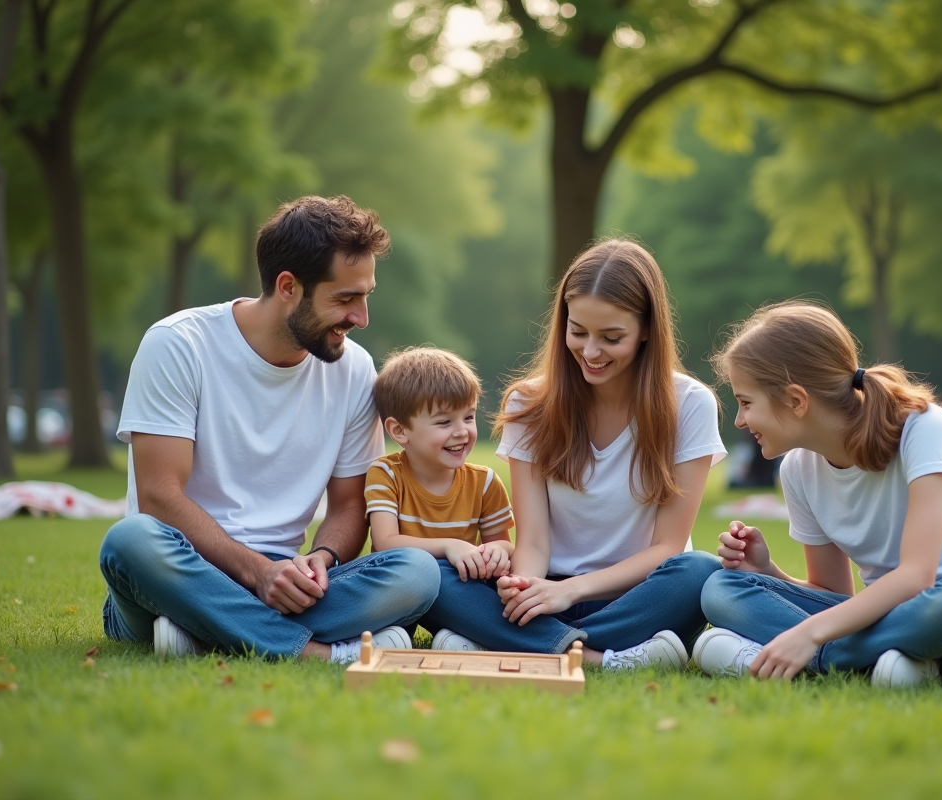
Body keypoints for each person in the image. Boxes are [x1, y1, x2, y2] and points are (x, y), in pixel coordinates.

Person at [98, 195, 440, 662]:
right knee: (130, 541)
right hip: (183, 567)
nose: (361, 318)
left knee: (418, 571)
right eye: (345, 299)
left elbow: (349, 504)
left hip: (288, 577)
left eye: (365, 296)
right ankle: (314, 652)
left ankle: (204, 631)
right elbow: (159, 497)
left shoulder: (355, 370)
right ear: (288, 287)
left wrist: (321, 561)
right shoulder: (178, 345)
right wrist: (257, 574)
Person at [418, 239, 725, 669]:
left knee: (700, 573)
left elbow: (668, 549)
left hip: (637, 598)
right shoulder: (527, 403)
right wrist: (524, 586)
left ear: (647, 330)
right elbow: (535, 540)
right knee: (429, 575)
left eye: (611, 337)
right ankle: (605, 657)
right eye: (578, 332)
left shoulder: (690, 403)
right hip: (548, 596)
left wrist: (573, 591)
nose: (591, 352)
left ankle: (510, 643)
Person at [695, 301, 942, 687]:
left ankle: (809, 661)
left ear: (796, 401)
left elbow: (917, 577)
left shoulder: (924, 429)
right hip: (886, 620)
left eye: (745, 403)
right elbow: (832, 594)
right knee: (722, 588)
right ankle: (887, 663)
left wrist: (808, 635)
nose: (739, 420)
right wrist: (768, 573)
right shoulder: (798, 470)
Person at [366, 347, 516, 630]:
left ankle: (457, 635)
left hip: (457, 586)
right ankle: (395, 634)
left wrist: (496, 551)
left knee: (488, 587)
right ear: (399, 431)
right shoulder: (385, 473)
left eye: (468, 417)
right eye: (444, 421)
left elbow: (503, 542)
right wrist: (450, 546)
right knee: (418, 575)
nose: (462, 431)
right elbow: (386, 542)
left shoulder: (483, 481)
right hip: (403, 590)